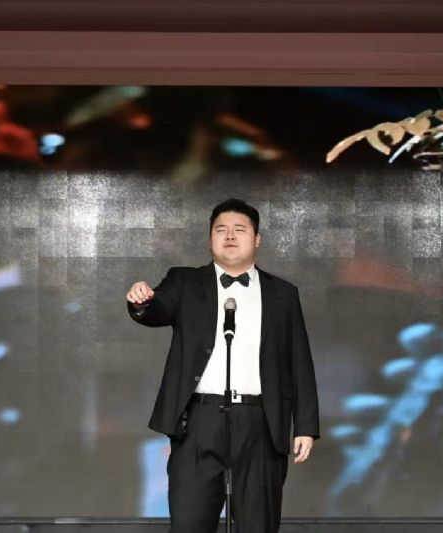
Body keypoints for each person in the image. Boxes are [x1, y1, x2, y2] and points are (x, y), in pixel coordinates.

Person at [125, 198, 319, 533]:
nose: (229, 236)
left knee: (258, 524)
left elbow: (299, 360)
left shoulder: (283, 294)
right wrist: (141, 301)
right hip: (198, 421)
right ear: (210, 239)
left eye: (239, 229)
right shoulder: (185, 282)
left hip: (261, 423)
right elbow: (156, 309)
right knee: (189, 523)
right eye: (221, 230)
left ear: (257, 239)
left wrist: (305, 425)